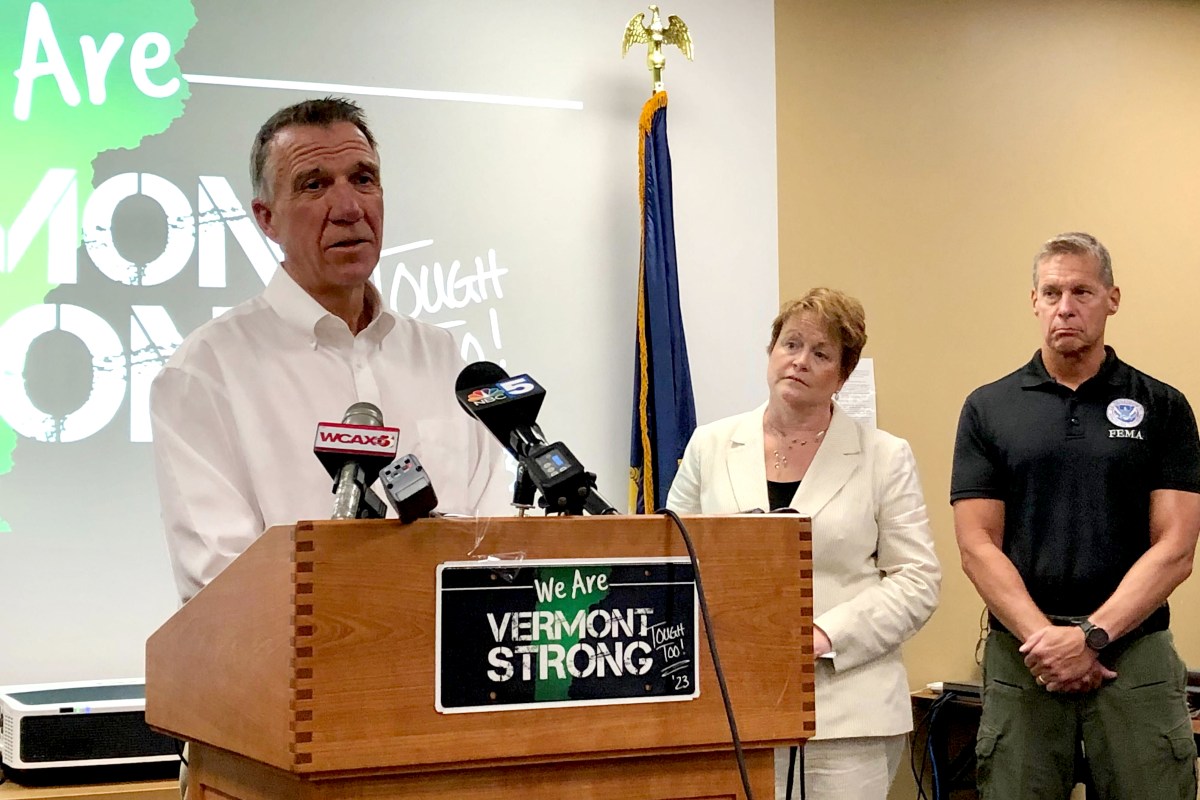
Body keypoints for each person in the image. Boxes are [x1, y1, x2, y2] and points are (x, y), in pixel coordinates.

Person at [151, 97, 511, 606]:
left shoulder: (440, 355)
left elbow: (494, 541)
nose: (348, 208)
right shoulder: (206, 371)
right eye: (314, 184)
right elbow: (220, 585)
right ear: (266, 218)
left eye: (363, 179)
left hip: (452, 671)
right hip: (300, 675)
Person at [951, 231, 1200, 799]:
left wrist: (1091, 635)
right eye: (1053, 292)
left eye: (1083, 291)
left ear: (1113, 298)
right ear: (1034, 301)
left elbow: (1177, 547)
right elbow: (976, 546)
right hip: (1024, 659)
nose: (1066, 307)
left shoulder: (1163, 407)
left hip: (1135, 655)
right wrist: (1048, 640)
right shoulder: (989, 408)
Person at [667, 287, 941, 800]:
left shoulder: (884, 455)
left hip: (846, 712)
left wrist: (823, 636)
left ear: (842, 373)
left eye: (821, 353)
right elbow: (672, 556)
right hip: (730, 703)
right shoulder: (711, 443)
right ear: (770, 352)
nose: (800, 361)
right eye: (790, 344)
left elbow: (918, 580)